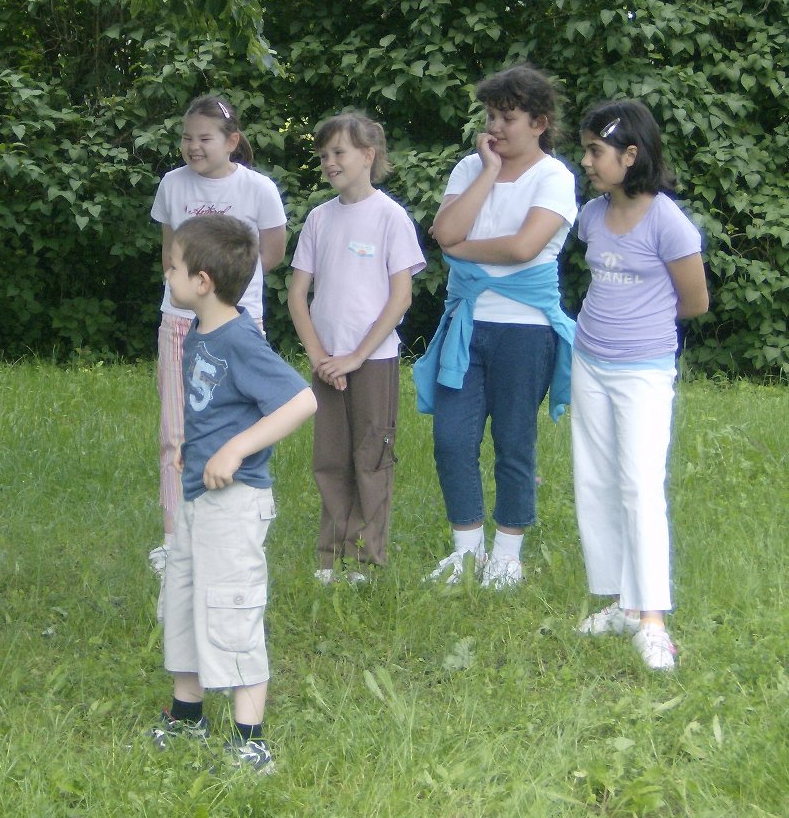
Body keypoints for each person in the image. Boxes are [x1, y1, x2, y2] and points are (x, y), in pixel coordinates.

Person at [151, 214, 316, 773]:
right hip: (196, 500)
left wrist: (235, 450)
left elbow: (300, 402)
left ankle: (250, 739)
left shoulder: (242, 339)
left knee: (231, 608)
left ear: (202, 280)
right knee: (182, 600)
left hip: (235, 502)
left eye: (172, 266)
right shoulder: (200, 332)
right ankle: (187, 716)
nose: (165, 273)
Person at [413, 64, 577, 589]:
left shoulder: (554, 177)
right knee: (451, 439)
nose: (497, 128)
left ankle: (507, 554)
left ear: (540, 123)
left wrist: (463, 251)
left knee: (514, 441)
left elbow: (526, 247)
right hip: (466, 325)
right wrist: (485, 173)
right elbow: (444, 233)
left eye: (508, 117)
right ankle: (467, 552)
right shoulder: (469, 168)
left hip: (525, 331)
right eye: (491, 117)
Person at [569, 100, 707, 670]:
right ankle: (621, 607)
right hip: (589, 362)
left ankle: (653, 618)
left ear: (632, 154)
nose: (586, 162)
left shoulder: (668, 221)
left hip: (644, 370)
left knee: (640, 485)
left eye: (595, 152)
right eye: (585, 150)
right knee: (596, 481)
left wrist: (640, 334)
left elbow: (695, 302)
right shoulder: (592, 216)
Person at [148, 95, 287, 576]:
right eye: (186, 137)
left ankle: (228, 523)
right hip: (179, 322)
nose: (192, 147)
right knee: (176, 432)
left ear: (231, 142)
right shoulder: (171, 184)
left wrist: (223, 296)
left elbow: (269, 252)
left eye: (204, 138)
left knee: (228, 426)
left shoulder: (259, 188)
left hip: (236, 321)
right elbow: (171, 253)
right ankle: (174, 536)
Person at [287, 112, 425, 584]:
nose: (329, 162)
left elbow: (400, 297)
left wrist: (356, 356)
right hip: (327, 363)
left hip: (374, 362)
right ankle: (331, 556)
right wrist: (320, 357)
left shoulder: (391, 217)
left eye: (339, 152)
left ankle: (366, 560)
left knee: (370, 457)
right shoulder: (319, 219)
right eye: (323, 155)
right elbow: (296, 295)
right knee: (330, 458)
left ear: (368, 156)